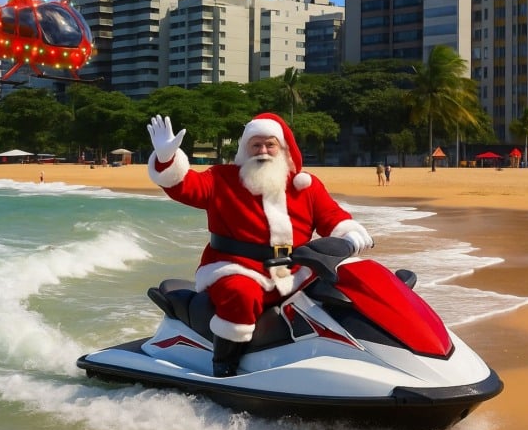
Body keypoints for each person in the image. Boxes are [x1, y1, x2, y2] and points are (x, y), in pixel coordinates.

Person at [147, 113, 373, 377]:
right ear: (245, 148)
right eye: (256, 145)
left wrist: (350, 237)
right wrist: (166, 159)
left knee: (346, 288)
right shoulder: (222, 178)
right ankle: (223, 367)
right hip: (235, 268)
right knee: (242, 296)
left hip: (295, 270)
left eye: (270, 144)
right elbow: (186, 187)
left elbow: (332, 218)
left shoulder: (306, 186)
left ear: (283, 148)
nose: (263, 151)